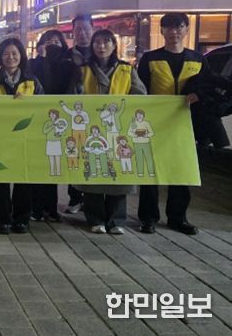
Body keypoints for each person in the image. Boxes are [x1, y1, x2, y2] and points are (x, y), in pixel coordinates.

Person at [136, 13, 203, 236]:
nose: (174, 32)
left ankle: (177, 218)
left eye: (179, 27)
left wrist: (198, 95)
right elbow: (141, 90)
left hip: (184, 124)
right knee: (150, 171)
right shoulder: (150, 58)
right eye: (169, 27)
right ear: (162, 31)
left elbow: (206, 85)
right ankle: (148, 218)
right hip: (154, 123)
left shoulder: (198, 59)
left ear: (186, 29)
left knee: (180, 171)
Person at [73, 29, 145, 234]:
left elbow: (140, 94)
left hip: (118, 129)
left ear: (114, 45)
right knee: (93, 170)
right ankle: (95, 218)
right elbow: (73, 96)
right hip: (91, 129)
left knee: (119, 173)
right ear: (92, 46)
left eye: (106, 42)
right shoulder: (82, 70)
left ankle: (117, 220)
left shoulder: (126, 69)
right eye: (97, 42)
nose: (101, 46)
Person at [0, 37, 42, 234]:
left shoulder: (32, 81)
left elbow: (43, 105)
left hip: (25, 137)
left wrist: (28, 103)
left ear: (21, 56)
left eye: (14, 53)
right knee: (1, 179)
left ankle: (22, 219)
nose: (10, 57)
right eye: (6, 54)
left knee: (24, 178)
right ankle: (2, 219)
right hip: (0, 137)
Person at [28, 29, 80, 222]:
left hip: (58, 119)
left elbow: (72, 89)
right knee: (36, 164)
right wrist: (42, 59)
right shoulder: (33, 64)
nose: (53, 45)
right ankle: (35, 208)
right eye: (48, 41)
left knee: (52, 166)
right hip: (36, 119)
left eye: (57, 42)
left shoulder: (69, 65)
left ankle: (50, 208)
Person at [64, 14, 93, 213]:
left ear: (92, 29)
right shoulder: (66, 56)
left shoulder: (100, 53)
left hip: (95, 113)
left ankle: (91, 199)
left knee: (92, 155)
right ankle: (74, 198)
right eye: (78, 30)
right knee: (73, 154)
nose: (82, 33)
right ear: (73, 32)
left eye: (86, 29)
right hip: (73, 112)